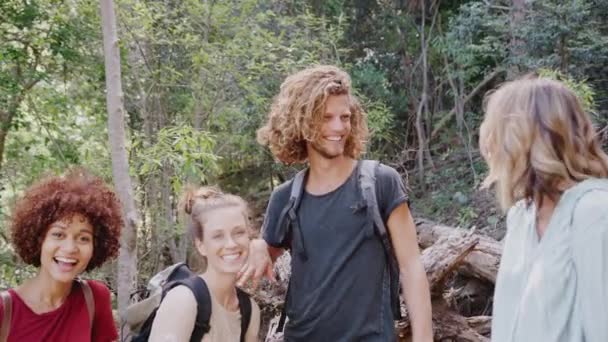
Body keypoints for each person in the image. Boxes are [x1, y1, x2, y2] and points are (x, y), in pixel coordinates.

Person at [237, 65, 433, 341]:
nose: (338, 127)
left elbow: (411, 267)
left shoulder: (380, 183)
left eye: (345, 117)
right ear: (301, 123)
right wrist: (257, 245)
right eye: (326, 118)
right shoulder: (285, 198)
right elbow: (257, 261)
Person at [480, 77, 608, 342]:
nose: (488, 142)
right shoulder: (521, 216)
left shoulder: (594, 211)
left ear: (521, 138)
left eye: (497, 130)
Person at [0, 168, 122, 342]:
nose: (70, 248)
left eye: (83, 238)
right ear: (38, 239)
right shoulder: (4, 311)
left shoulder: (94, 298)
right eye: (58, 234)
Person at [149, 186, 260, 342]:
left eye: (239, 232)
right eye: (218, 236)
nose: (231, 244)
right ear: (201, 245)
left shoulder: (249, 309)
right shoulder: (183, 300)